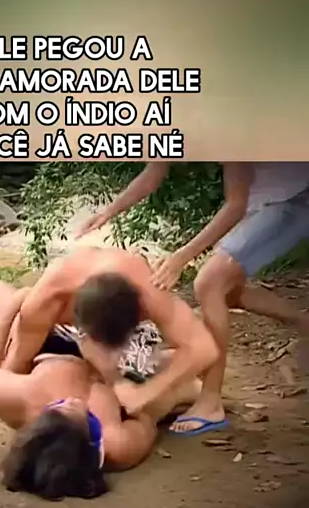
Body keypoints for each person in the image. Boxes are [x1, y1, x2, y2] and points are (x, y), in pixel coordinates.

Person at [0, 282, 200, 501]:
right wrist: (129, 389)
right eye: (72, 409)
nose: (70, 400)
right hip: (117, 366)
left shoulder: (22, 398)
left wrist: (10, 311)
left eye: (58, 406)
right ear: (89, 440)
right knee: (186, 371)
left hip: (53, 347)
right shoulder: (119, 446)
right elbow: (148, 418)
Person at [77, 162, 309, 434]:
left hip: (294, 197)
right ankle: (304, 322)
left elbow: (235, 205)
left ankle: (210, 402)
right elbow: (152, 175)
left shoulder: (229, 137)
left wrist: (181, 257)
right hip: (263, 199)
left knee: (210, 283)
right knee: (228, 288)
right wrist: (108, 212)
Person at [0, 245, 218, 418]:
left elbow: (204, 348)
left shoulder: (147, 289)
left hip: (129, 338)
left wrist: (147, 393)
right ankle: (161, 375)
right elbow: (14, 367)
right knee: (79, 392)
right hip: (66, 336)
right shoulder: (45, 302)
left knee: (131, 404)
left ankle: (181, 389)